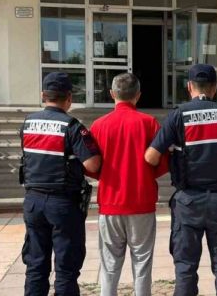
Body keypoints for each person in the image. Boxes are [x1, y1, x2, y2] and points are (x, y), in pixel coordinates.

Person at [144, 64, 217, 296]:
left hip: (188, 201)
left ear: (189, 86)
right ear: (214, 87)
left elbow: (150, 157)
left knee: (186, 268)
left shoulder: (178, 115)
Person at [20, 72, 102, 296]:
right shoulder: (72, 126)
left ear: (43, 95)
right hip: (62, 204)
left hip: (33, 201)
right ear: (69, 98)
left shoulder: (28, 123)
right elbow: (93, 164)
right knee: (66, 268)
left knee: (35, 265)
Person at [89, 73, 169, 296]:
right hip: (142, 202)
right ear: (138, 95)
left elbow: (92, 166)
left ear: (112, 94)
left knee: (109, 265)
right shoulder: (149, 123)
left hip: (110, 202)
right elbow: (161, 163)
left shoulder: (99, 125)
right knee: (142, 263)